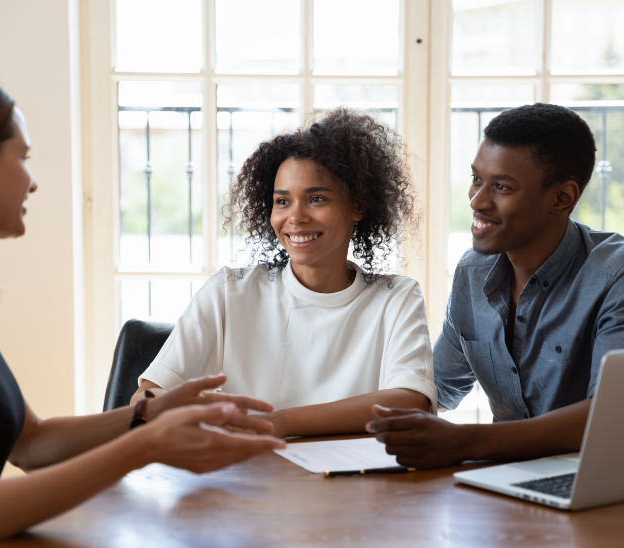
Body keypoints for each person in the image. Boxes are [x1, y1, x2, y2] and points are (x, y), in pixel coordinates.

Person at [0, 58, 286, 548]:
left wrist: (148, 416)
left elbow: (31, 442)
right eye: (23, 156)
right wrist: (145, 447)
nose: (32, 181)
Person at [368, 103, 624, 468]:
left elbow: (612, 417)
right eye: (476, 179)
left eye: (501, 186)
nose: (477, 201)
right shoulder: (473, 272)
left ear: (562, 198)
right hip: (504, 482)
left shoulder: (623, 274)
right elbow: (437, 387)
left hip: (597, 483)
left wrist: (466, 442)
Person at [133, 108, 437, 438]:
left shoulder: (396, 298)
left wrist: (275, 422)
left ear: (358, 206)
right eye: (282, 201)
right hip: (252, 474)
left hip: (354, 483)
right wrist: (178, 409)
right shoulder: (229, 292)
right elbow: (148, 396)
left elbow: (410, 401)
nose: (295, 217)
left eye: (316, 198)